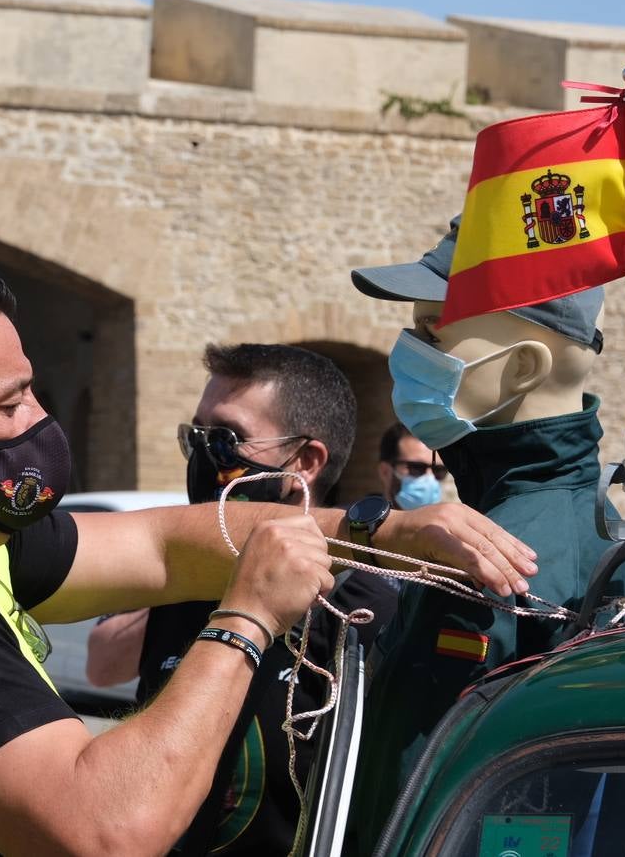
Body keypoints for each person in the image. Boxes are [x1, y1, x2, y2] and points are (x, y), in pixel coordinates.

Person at [0, 254, 536, 854]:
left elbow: (155, 545)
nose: (40, 416)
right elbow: (107, 831)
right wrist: (248, 616)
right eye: (10, 403)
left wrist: (372, 531)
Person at [347, 216, 625, 852]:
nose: (408, 345)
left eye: (433, 331)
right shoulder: (596, 523)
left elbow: (412, 788)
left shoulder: (486, 555)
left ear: (522, 369)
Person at [86, 343, 397, 854]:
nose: (206, 458)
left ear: (306, 460)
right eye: (196, 437)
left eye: (228, 439)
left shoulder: (361, 606)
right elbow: (101, 665)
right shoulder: (184, 580)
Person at [376, 421, 445, 510]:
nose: (430, 477)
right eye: (416, 467)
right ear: (384, 472)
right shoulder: (360, 519)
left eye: (438, 470)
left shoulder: (451, 523)